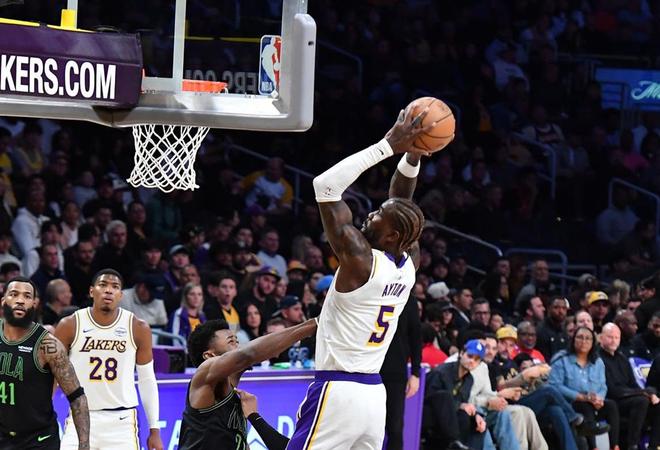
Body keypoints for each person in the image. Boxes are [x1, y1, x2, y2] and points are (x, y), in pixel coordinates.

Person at [287, 107, 433, 449]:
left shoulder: (360, 261)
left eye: (378, 214)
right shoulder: (409, 263)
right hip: (372, 394)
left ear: (392, 235)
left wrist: (388, 145)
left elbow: (324, 186)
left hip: (337, 390)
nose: (370, 214)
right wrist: (412, 156)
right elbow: (401, 200)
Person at [54, 269, 164, 450]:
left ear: (121, 295)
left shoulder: (137, 327)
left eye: (115, 287)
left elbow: (147, 379)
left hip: (121, 422)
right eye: (103, 285)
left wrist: (155, 429)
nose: (108, 290)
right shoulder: (70, 325)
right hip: (80, 418)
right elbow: (53, 373)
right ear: (92, 291)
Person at [177, 318, 317, 449]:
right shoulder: (205, 374)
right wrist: (313, 325)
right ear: (210, 355)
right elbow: (247, 354)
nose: (239, 347)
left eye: (237, 342)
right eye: (231, 342)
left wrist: (254, 416)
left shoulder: (235, 399)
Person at [0, 276, 90, 450]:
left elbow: (77, 397)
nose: (20, 300)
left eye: (27, 296)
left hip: (39, 440)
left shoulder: (48, 345)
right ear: (4, 300)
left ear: (34, 303)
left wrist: (84, 445)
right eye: (14, 294)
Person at [549, 326, 620, 450]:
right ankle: (593, 447)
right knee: (584, 405)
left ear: (593, 342)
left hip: (593, 402)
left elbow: (603, 386)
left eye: (588, 338)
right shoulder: (562, 359)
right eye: (580, 337)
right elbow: (555, 385)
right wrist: (580, 397)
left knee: (611, 405)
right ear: (573, 340)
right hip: (570, 403)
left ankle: (614, 446)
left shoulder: (598, 362)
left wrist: (599, 399)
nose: (584, 341)